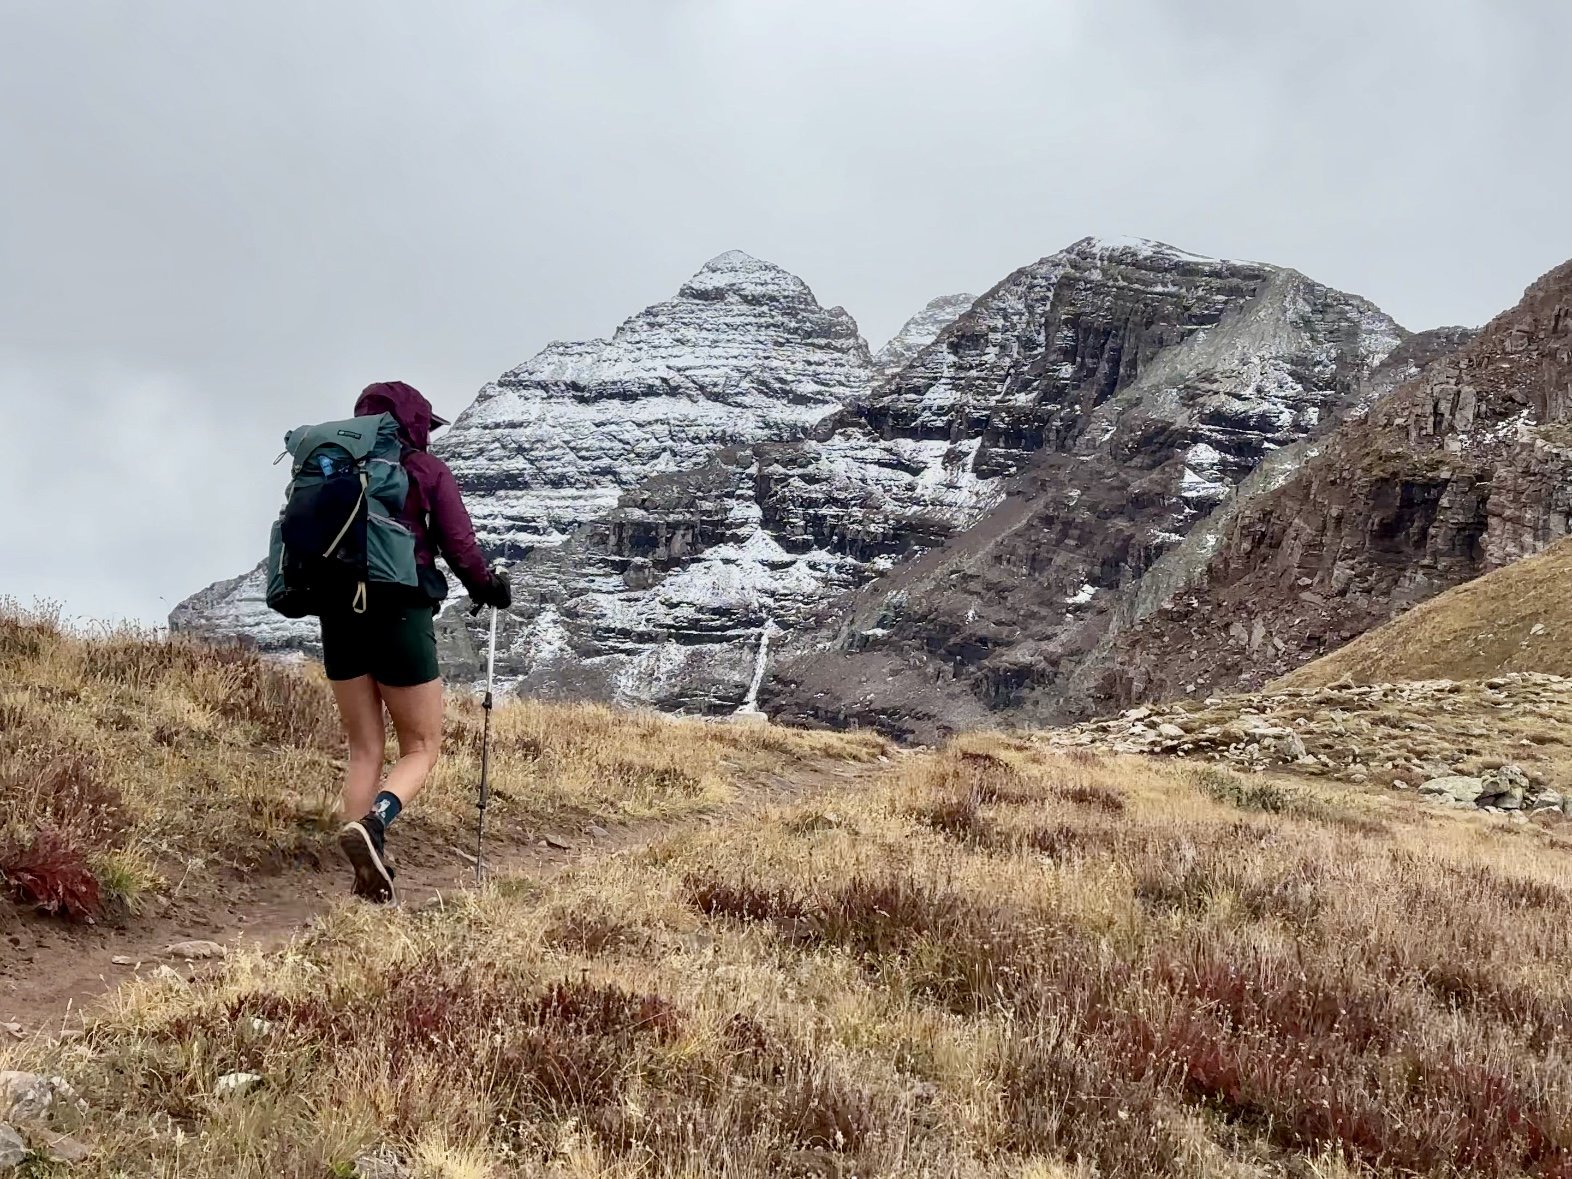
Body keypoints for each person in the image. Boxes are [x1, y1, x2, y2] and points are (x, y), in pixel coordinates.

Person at [328, 380, 512, 903]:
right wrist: (487, 587)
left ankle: (364, 872)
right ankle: (377, 824)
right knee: (422, 746)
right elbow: (458, 542)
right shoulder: (425, 470)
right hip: (398, 610)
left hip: (338, 613)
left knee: (364, 748)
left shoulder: (336, 465)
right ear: (414, 424)